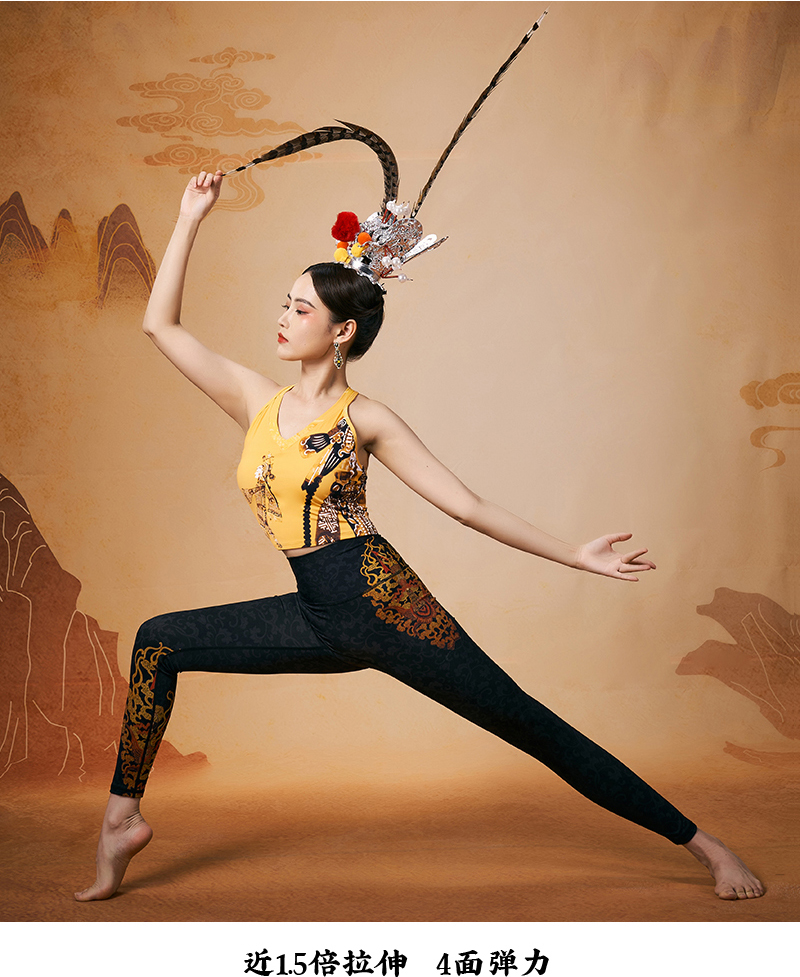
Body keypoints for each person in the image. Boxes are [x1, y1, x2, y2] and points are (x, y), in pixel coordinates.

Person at [75, 171, 764, 903]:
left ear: (342, 331)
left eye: (300, 309)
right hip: (316, 614)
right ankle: (121, 821)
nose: (282, 319)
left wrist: (572, 554)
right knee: (159, 640)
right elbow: (161, 328)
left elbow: (466, 505)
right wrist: (191, 218)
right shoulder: (255, 401)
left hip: (387, 606)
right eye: (284, 303)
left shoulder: (365, 419)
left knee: (530, 725)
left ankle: (707, 847)